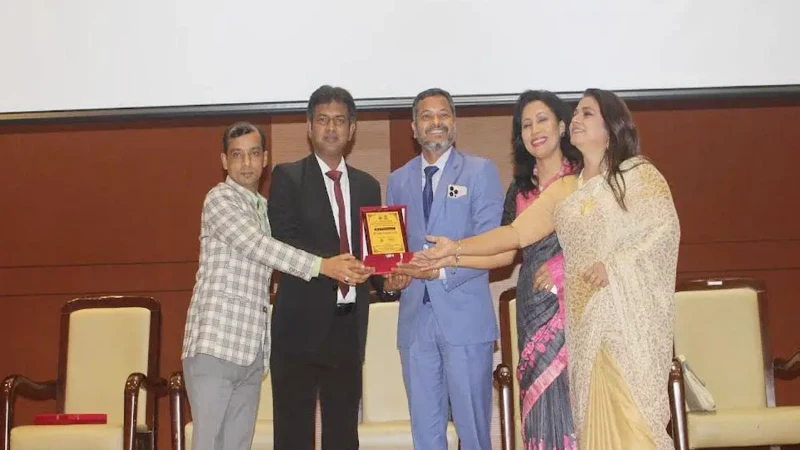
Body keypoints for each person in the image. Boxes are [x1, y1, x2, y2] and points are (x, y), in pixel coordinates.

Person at [414, 88, 681, 450]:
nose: (576, 119)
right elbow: (515, 234)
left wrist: (614, 267)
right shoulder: (568, 188)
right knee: (592, 427)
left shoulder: (637, 174)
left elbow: (663, 232)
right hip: (586, 325)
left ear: (611, 126)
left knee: (631, 426)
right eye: (577, 113)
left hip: (626, 325)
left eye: (586, 113)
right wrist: (454, 250)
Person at [181, 121, 371, 450]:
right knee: (209, 443)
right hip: (216, 344)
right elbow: (260, 247)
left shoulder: (263, 208)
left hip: (252, 351)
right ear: (224, 161)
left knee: (238, 444)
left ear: (265, 159)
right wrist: (324, 266)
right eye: (237, 155)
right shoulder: (220, 199)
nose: (247, 163)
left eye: (254, 154)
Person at [267, 85, 398, 450]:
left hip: (347, 327)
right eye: (322, 120)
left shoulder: (368, 186)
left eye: (339, 120)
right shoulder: (288, 177)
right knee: (293, 436)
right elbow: (282, 241)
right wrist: (328, 266)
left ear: (351, 129)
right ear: (309, 127)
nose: (331, 128)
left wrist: (389, 280)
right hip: (298, 328)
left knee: (343, 436)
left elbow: (372, 255)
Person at [385, 87, 504, 450]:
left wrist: (438, 272)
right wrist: (393, 278)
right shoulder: (397, 180)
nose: (435, 122)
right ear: (413, 127)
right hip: (415, 322)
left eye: (443, 114)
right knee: (425, 434)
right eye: (426, 116)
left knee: (473, 432)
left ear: (454, 123)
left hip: (465, 319)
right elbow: (392, 250)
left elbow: (492, 243)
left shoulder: (480, 171)